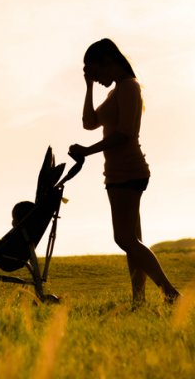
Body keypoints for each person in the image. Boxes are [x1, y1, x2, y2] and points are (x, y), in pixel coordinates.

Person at [69, 38, 180, 305]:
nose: (97, 80)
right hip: (117, 173)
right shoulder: (115, 92)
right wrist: (87, 87)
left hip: (128, 170)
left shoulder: (130, 87)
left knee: (124, 238)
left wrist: (86, 151)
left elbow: (126, 134)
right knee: (133, 241)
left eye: (97, 74)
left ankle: (169, 292)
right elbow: (88, 122)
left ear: (109, 61)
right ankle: (139, 301)